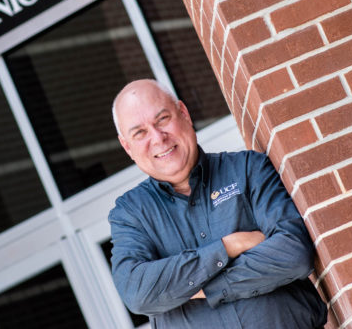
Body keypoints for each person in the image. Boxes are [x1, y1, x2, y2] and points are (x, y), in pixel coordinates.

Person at [108, 79, 327, 328]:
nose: (158, 138)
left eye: (162, 119)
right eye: (140, 133)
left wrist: (199, 288)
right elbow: (137, 293)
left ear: (184, 113)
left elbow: (293, 254)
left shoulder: (247, 169)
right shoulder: (130, 214)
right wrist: (229, 246)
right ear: (127, 146)